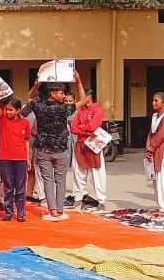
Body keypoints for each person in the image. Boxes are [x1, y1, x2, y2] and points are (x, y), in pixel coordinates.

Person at [22, 80, 72, 221]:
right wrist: (79, 82)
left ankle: (53, 210)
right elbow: (83, 101)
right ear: (53, 93)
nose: (64, 96)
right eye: (62, 93)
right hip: (60, 149)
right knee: (60, 180)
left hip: (43, 149)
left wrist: (36, 85)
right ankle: (60, 210)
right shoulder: (64, 109)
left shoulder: (40, 107)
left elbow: (29, 98)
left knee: (48, 180)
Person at [69, 78, 106, 211]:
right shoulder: (79, 112)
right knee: (78, 172)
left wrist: (83, 128)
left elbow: (93, 126)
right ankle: (78, 199)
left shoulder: (98, 110)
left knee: (97, 173)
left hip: (94, 144)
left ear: (88, 97)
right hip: (80, 144)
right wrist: (87, 130)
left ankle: (101, 200)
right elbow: (73, 128)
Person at [0, 97, 31, 222]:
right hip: (4, 158)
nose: (7, 112)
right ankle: (9, 212)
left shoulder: (25, 123)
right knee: (8, 187)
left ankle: (21, 213)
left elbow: (26, 141)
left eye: (10, 110)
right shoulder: (2, 120)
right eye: (6, 110)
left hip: (21, 159)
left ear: (18, 110)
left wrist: (28, 159)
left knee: (20, 188)